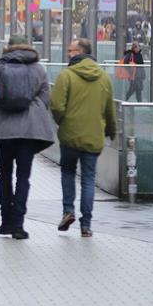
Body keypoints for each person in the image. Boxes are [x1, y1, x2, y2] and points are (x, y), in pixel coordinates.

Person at [0, 34, 56, 240]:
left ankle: (5, 222)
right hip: (29, 131)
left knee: (5, 174)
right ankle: (19, 225)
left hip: (4, 130)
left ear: (9, 47)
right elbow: (46, 98)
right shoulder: (38, 68)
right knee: (23, 176)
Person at [51, 39, 117, 238]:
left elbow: (56, 106)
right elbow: (109, 110)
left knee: (68, 173)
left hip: (70, 137)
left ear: (79, 52)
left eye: (70, 50)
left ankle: (68, 211)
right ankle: (86, 225)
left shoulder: (66, 76)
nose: (68, 54)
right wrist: (111, 131)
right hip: (93, 137)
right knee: (88, 179)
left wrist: (62, 121)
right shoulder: (104, 78)